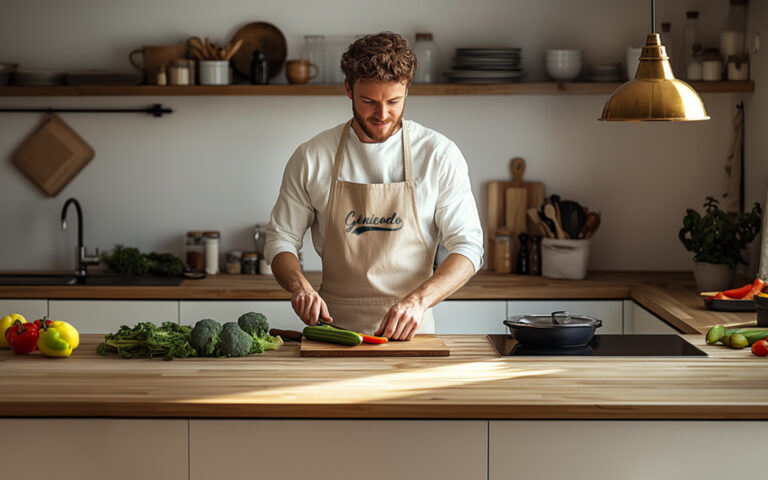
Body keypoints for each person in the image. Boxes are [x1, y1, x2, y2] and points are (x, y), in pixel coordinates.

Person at [265, 32, 483, 340]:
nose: (382, 114)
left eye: (394, 101)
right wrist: (300, 286)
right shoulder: (312, 156)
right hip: (334, 334)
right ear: (348, 89)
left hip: (413, 335)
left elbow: (469, 247)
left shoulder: (439, 155)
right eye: (368, 101)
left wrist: (418, 302)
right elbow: (280, 240)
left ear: (407, 90)